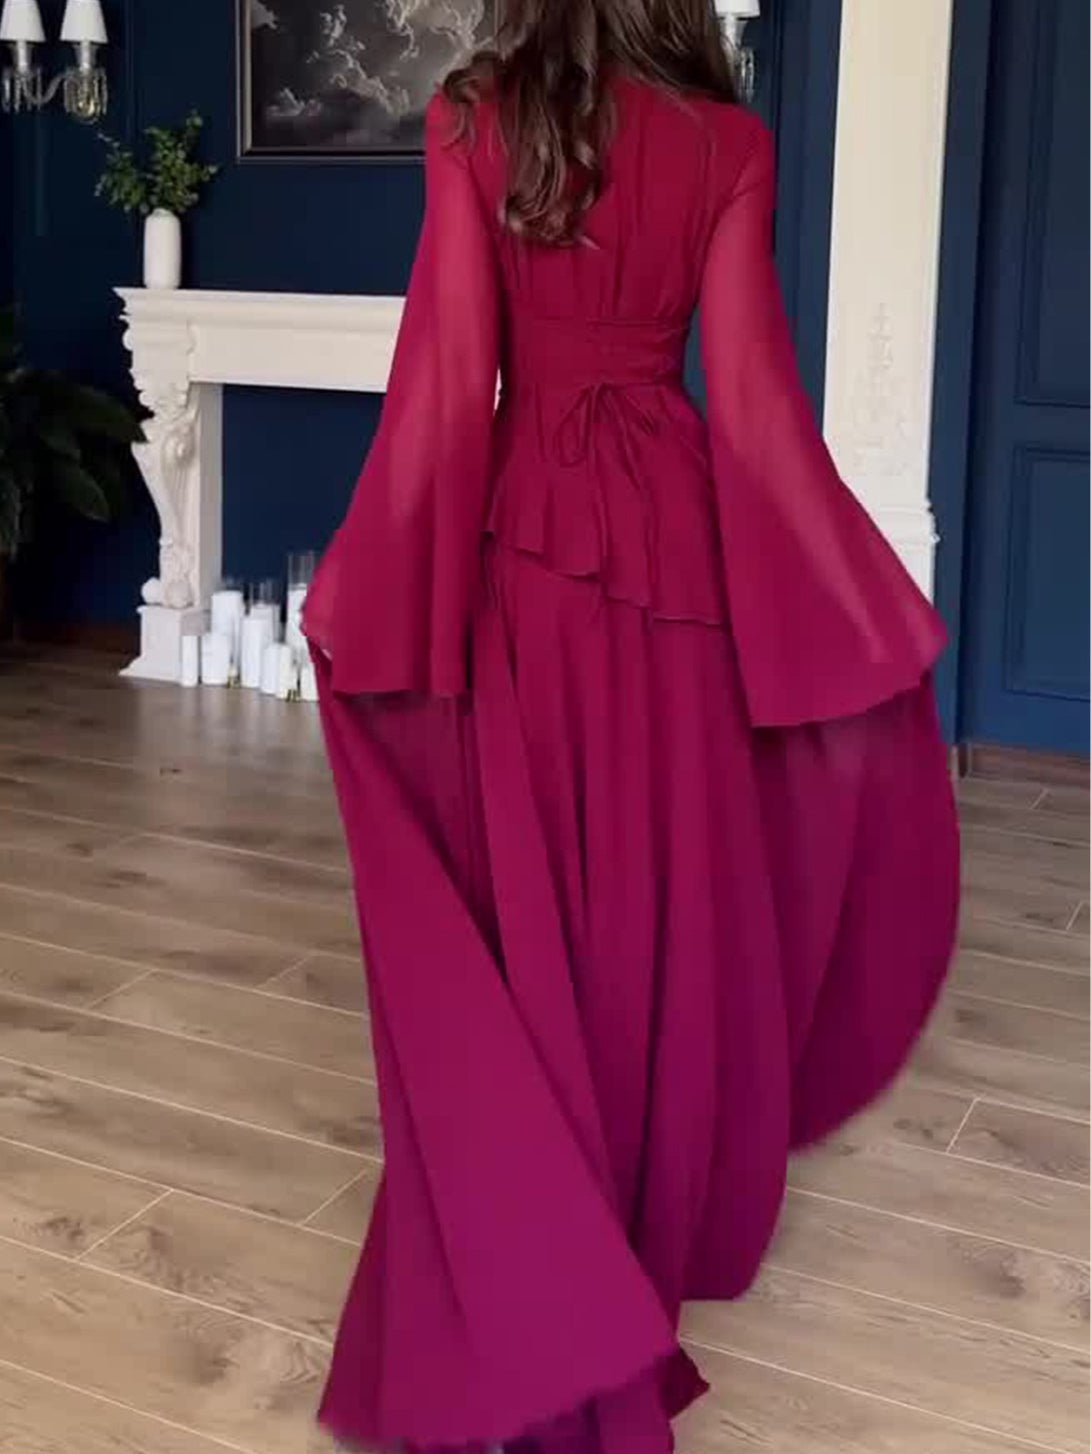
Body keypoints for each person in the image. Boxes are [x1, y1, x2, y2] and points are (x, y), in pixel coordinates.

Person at [303, 2, 959, 1450]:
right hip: (675, 555)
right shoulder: (729, 143)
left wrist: (363, 582)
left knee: (535, 890)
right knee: (657, 894)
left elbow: (448, 383)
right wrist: (864, 609)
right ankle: (644, 1214)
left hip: (524, 548)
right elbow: (760, 411)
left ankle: (549, 1223)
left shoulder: (476, 120)